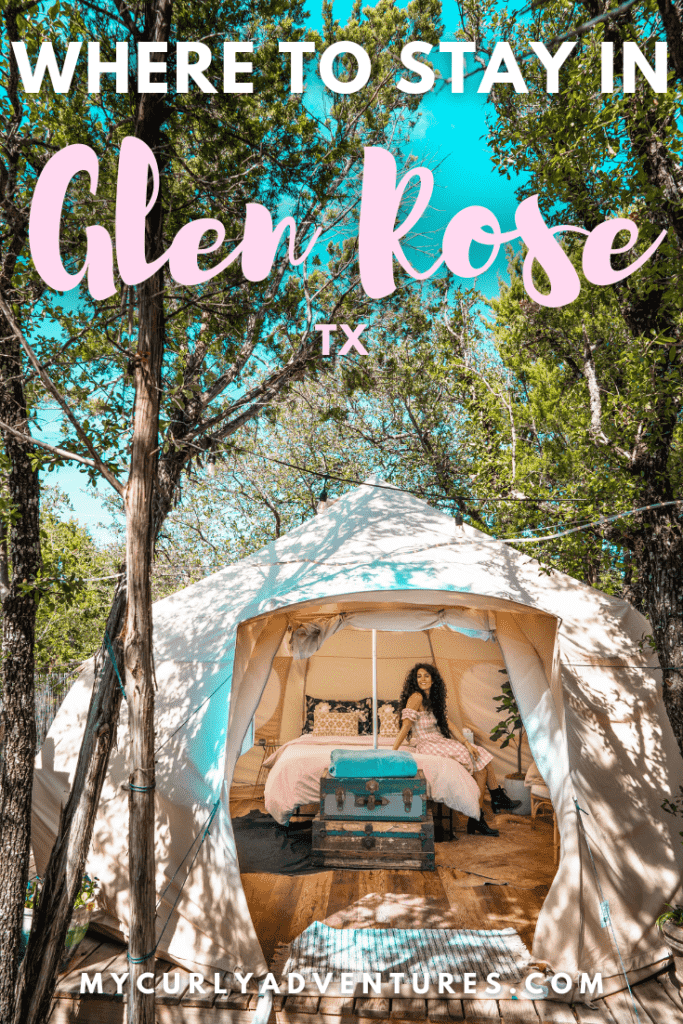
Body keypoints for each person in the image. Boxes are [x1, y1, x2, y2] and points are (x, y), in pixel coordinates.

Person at [393, 663, 521, 836]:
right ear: (415, 681)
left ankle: (478, 817)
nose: (422, 679)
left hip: (440, 741)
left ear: (433, 679)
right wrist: (393, 750)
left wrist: (466, 744)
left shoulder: (434, 700)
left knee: (481, 758)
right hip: (428, 744)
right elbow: (406, 726)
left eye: (426, 676)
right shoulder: (416, 697)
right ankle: (492, 804)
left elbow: (450, 726)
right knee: (480, 762)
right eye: (419, 676)